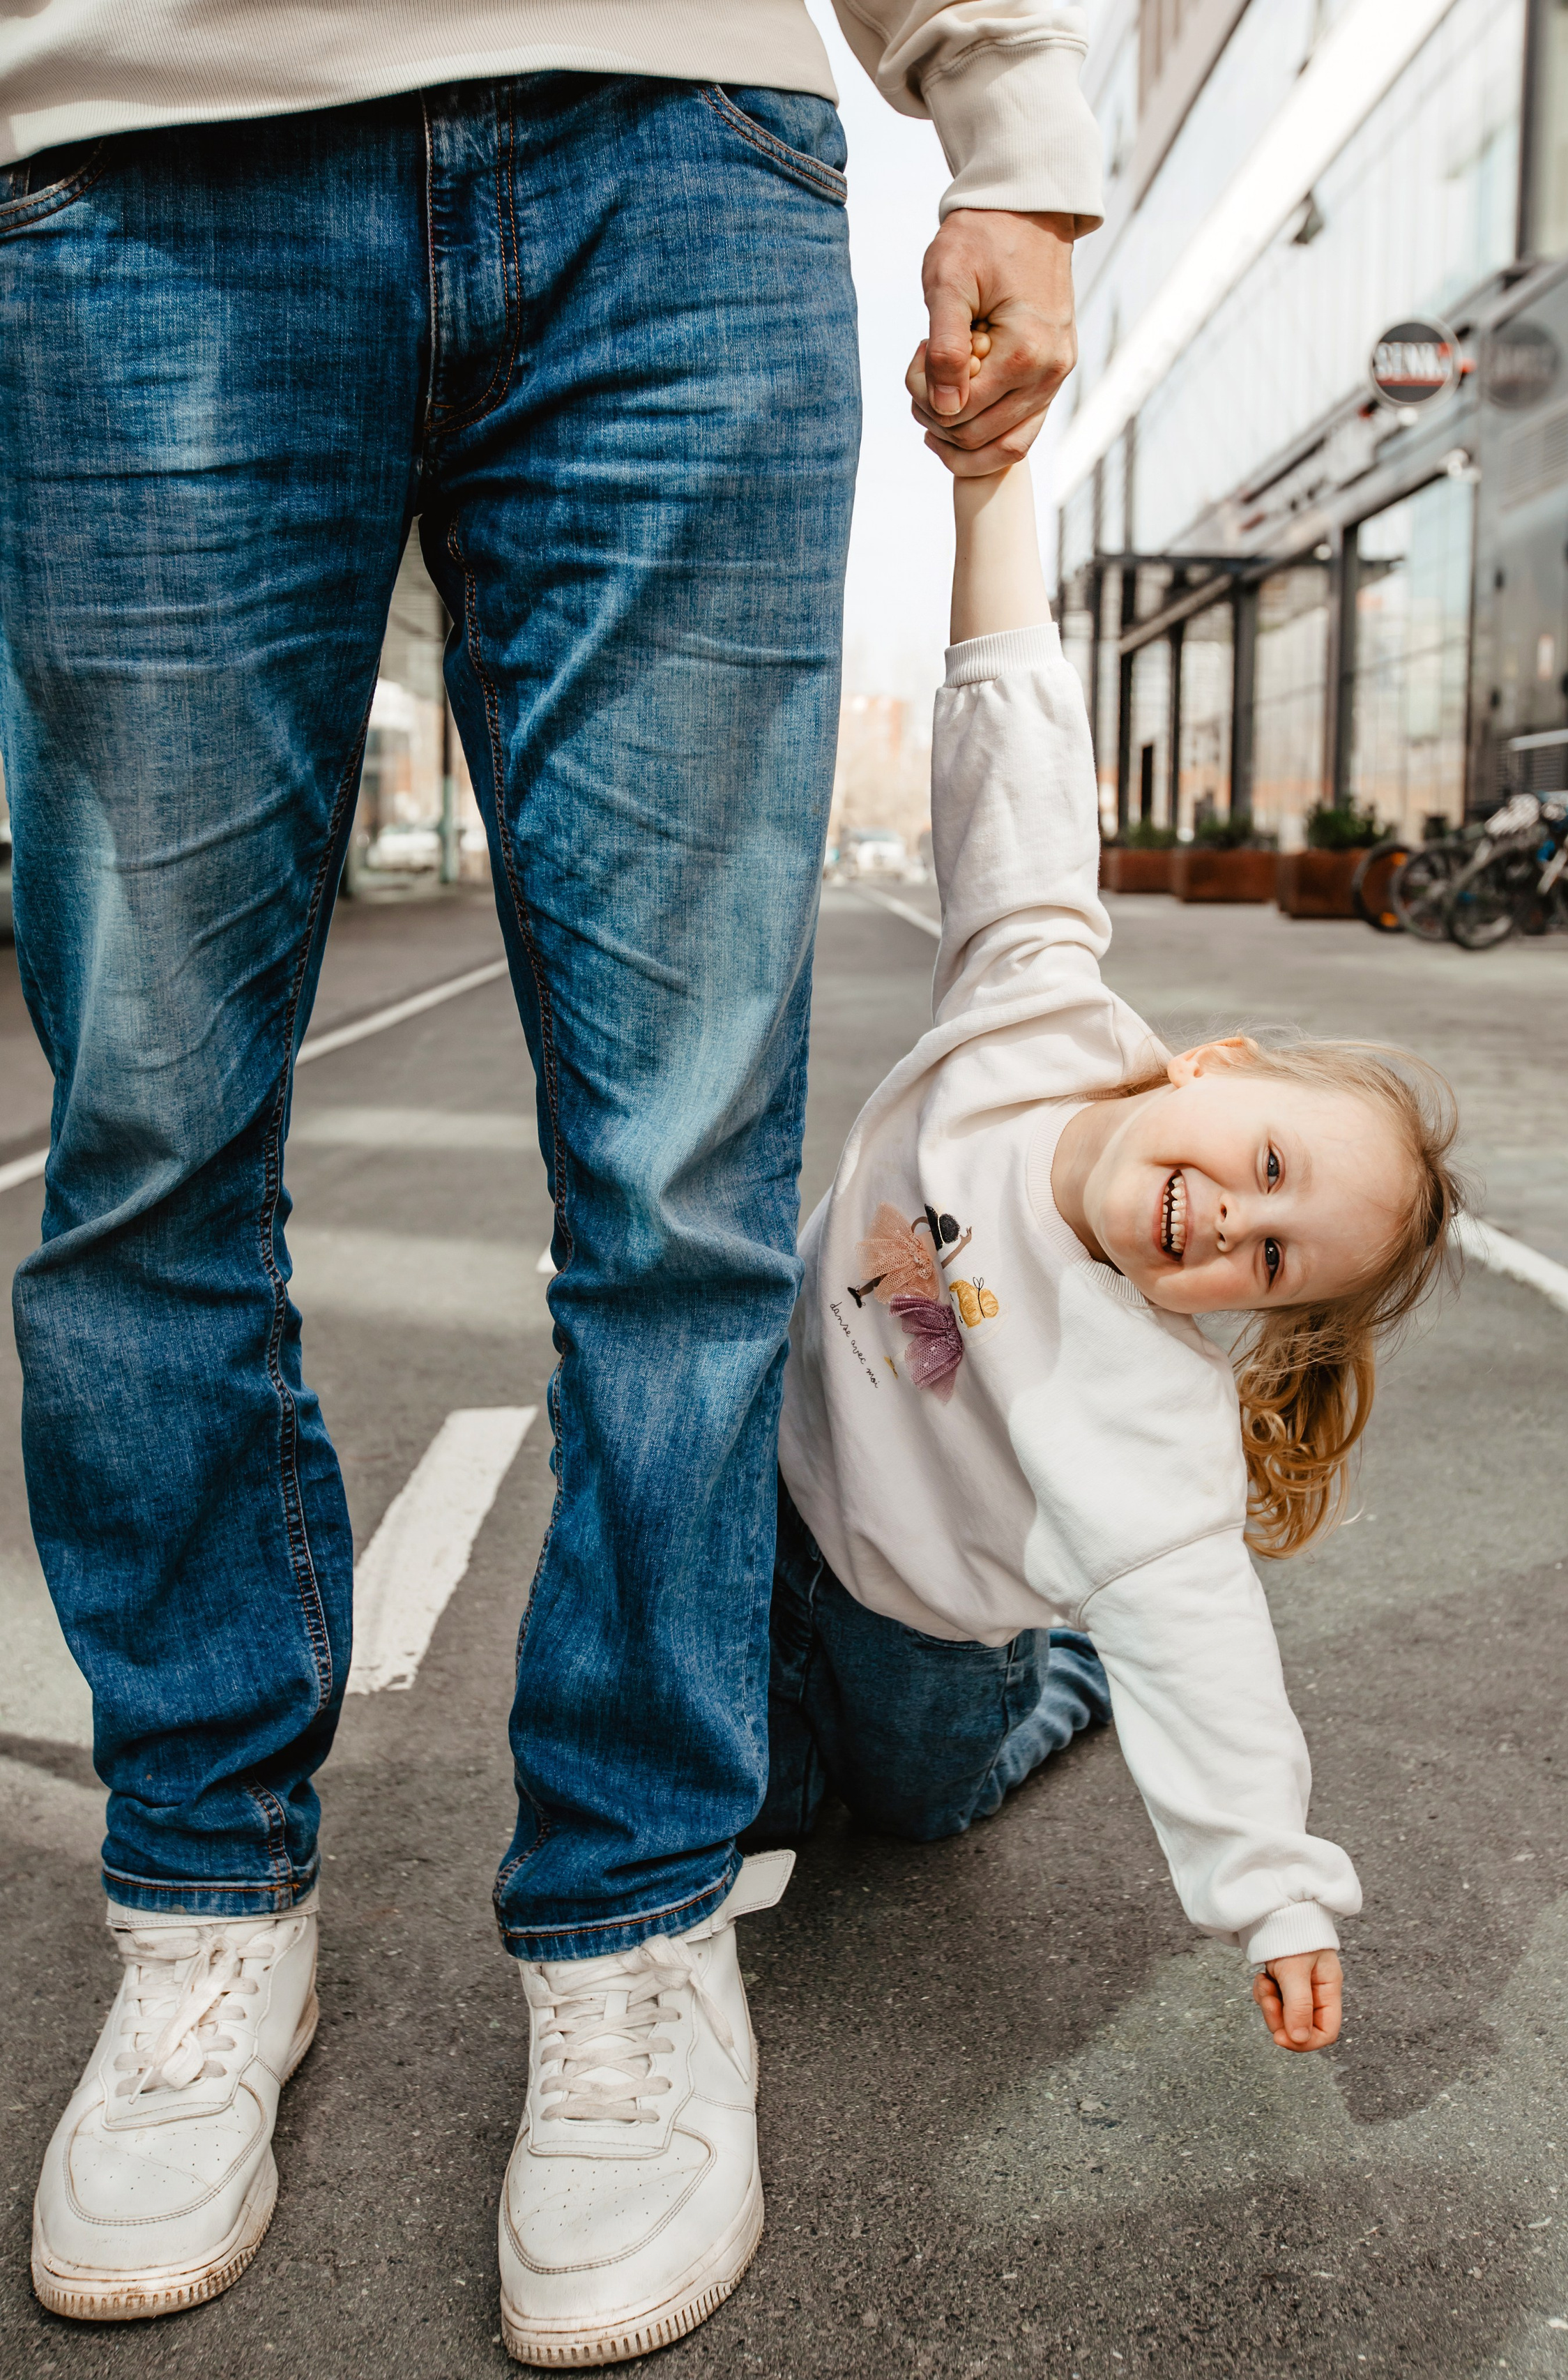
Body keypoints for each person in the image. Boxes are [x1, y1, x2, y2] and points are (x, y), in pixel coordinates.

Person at [1, 3, 1102, 2363]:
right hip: (136, 154)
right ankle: (209, 1908)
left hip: (671, 149)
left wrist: (1007, 110)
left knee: (679, 1192)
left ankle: (632, 1925)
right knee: (143, 1156)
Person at [768, 456, 1464, 2061]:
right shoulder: (1037, 1018)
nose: (1235, 1222)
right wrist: (991, 485)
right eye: (1267, 1167)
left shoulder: (1151, 1424)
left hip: (915, 1616)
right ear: (1210, 1066)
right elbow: (1012, 745)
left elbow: (1209, 1652)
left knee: (915, 1809)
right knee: (750, 1796)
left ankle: (1054, 1674)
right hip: (767, 1478)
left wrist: (1273, 1894)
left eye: (1273, 1262)